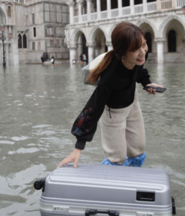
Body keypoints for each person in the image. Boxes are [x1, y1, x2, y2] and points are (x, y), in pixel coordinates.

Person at [58, 22, 163, 169]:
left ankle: (131, 178)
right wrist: (78, 147)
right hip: (113, 114)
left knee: (138, 151)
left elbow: (140, 72)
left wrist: (147, 84)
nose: (142, 52)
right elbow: (93, 108)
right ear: (122, 53)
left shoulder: (136, 59)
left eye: (144, 44)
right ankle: (108, 181)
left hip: (132, 104)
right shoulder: (110, 78)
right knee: (117, 159)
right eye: (135, 49)